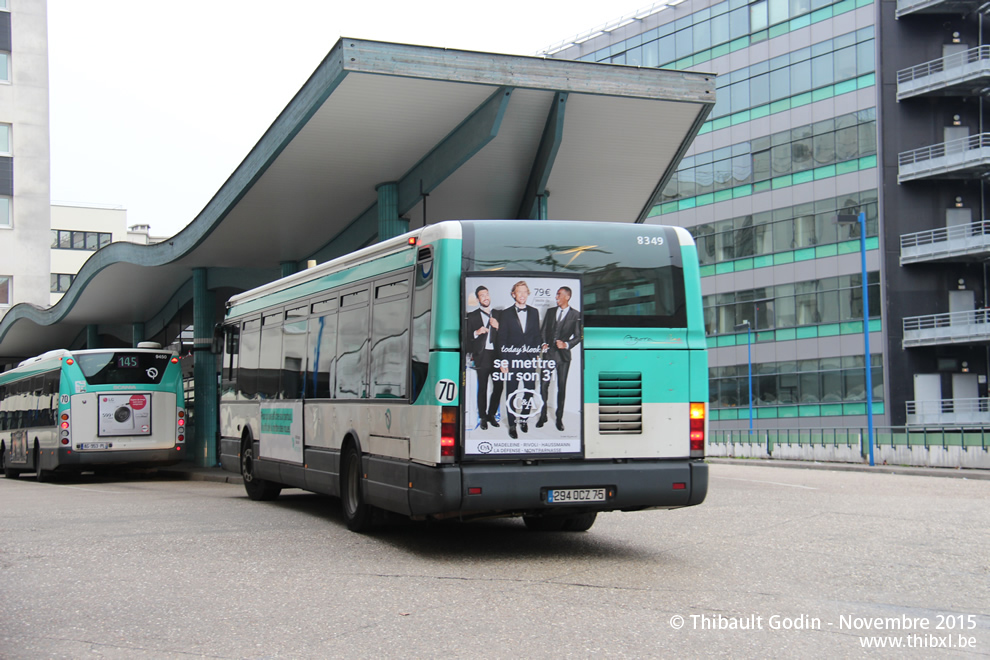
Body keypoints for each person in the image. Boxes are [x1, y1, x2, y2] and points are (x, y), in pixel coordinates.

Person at [498, 280, 542, 439]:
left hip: (529, 359)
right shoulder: (506, 313)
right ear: (513, 294)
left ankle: (523, 418)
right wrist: (503, 360)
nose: (522, 295)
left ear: (528, 294)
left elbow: (537, 335)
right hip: (511, 359)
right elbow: (501, 339)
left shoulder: (535, 312)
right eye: (519, 292)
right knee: (511, 392)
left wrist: (537, 355)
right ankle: (511, 424)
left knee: (529, 391)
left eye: (525, 291)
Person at [537, 286, 581, 431]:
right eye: (556, 295)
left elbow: (579, 336)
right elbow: (543, 331)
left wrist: (566, 344)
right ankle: (543, 415)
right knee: (543, 385)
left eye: (559, 295)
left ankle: (559, 418)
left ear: (567, 297)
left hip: (563, 357)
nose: (556, 297)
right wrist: (543, 343)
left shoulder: (576, 315)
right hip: (548, 354)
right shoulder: (550, 312)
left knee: (562, 387)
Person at [465, 285, 502, 430]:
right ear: (478, 299)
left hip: (497, 354)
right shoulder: (472, 316)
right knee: (483, 387)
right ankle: (483, 417)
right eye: (482, 295)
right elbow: (467, 338)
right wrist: (476, 332)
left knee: (499, 386)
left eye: (487, 294)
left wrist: (498, 326)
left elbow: (507, 334)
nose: (485, 297)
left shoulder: (499, 314)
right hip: (482, 355)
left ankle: (492, 414)